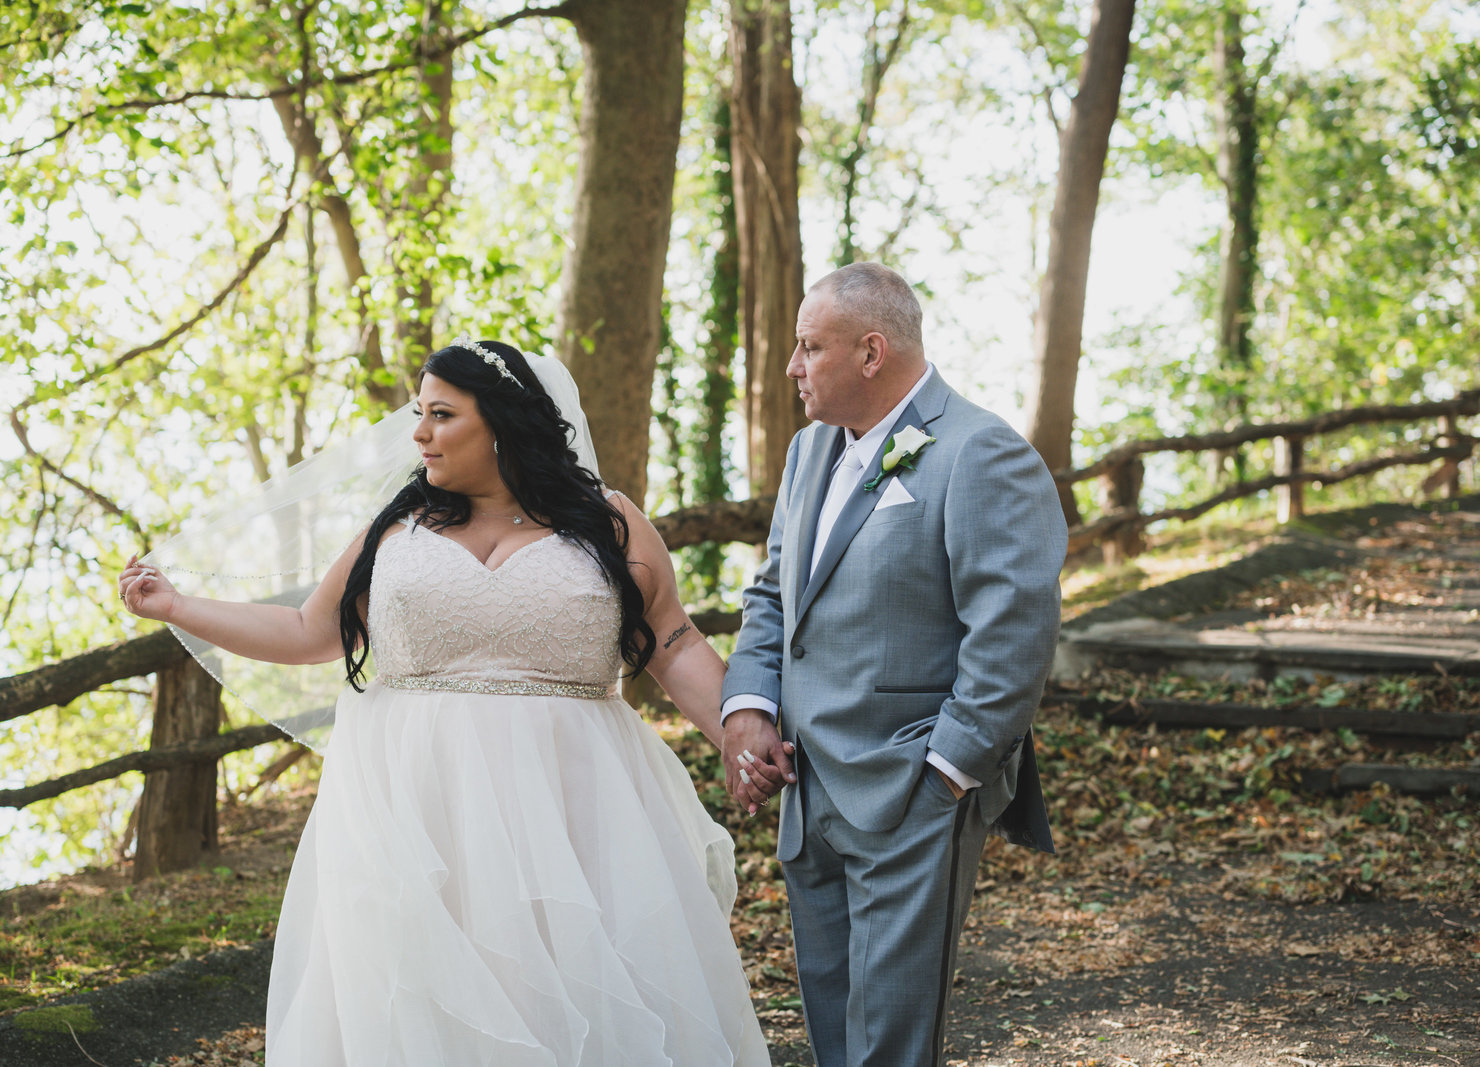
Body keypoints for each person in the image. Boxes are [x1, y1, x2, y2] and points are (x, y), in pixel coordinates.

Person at [119, 338, 770, 1066]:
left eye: (440, 413)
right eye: (418, 413)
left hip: (577, 813)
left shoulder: (609, 523)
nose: (419, 432)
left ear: (498, 422)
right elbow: (308, 630)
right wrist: (179, 604)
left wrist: (740, 735)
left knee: (578, 1001)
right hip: (416, 818)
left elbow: (676, 644)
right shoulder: (395, 531)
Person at [721, 262, 1067, 1067]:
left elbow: (1013, 633)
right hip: (806, 793)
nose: (792, 367)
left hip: (912, 789)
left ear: (871, 352)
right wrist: (750, 705)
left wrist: (945, 772)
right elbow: (773, 597)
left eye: (810, 347)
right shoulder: (809, 452)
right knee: (834, 1033)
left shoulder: (982, 453)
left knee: (891, 1046)